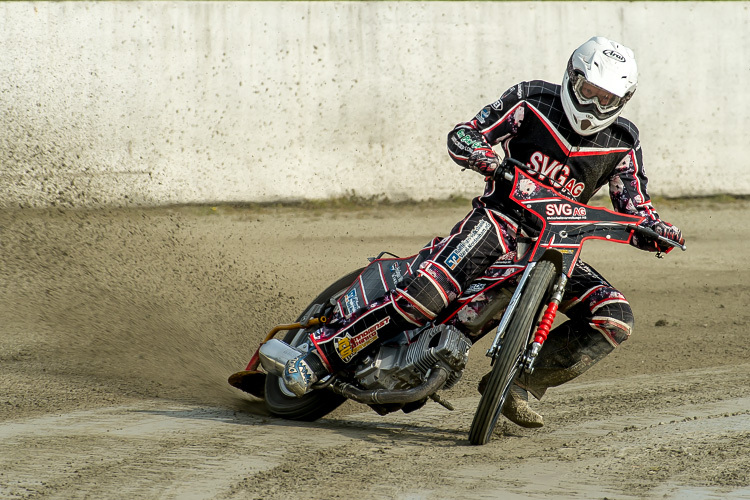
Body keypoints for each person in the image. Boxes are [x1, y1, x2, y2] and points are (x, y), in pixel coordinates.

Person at [282, 36, 685, 428]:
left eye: (607, 99)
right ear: (571, 76)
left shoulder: (624, 141)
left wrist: (656, 230)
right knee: (427, 295)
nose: (595, 104)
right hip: (498, 220)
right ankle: (320, 356)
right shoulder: (532, 99)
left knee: (614, 315)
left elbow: (634, 205)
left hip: (558, 246)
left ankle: (516, 385)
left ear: (623, 101)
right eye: (588, 89)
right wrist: (485, 159)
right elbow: (464, 134)